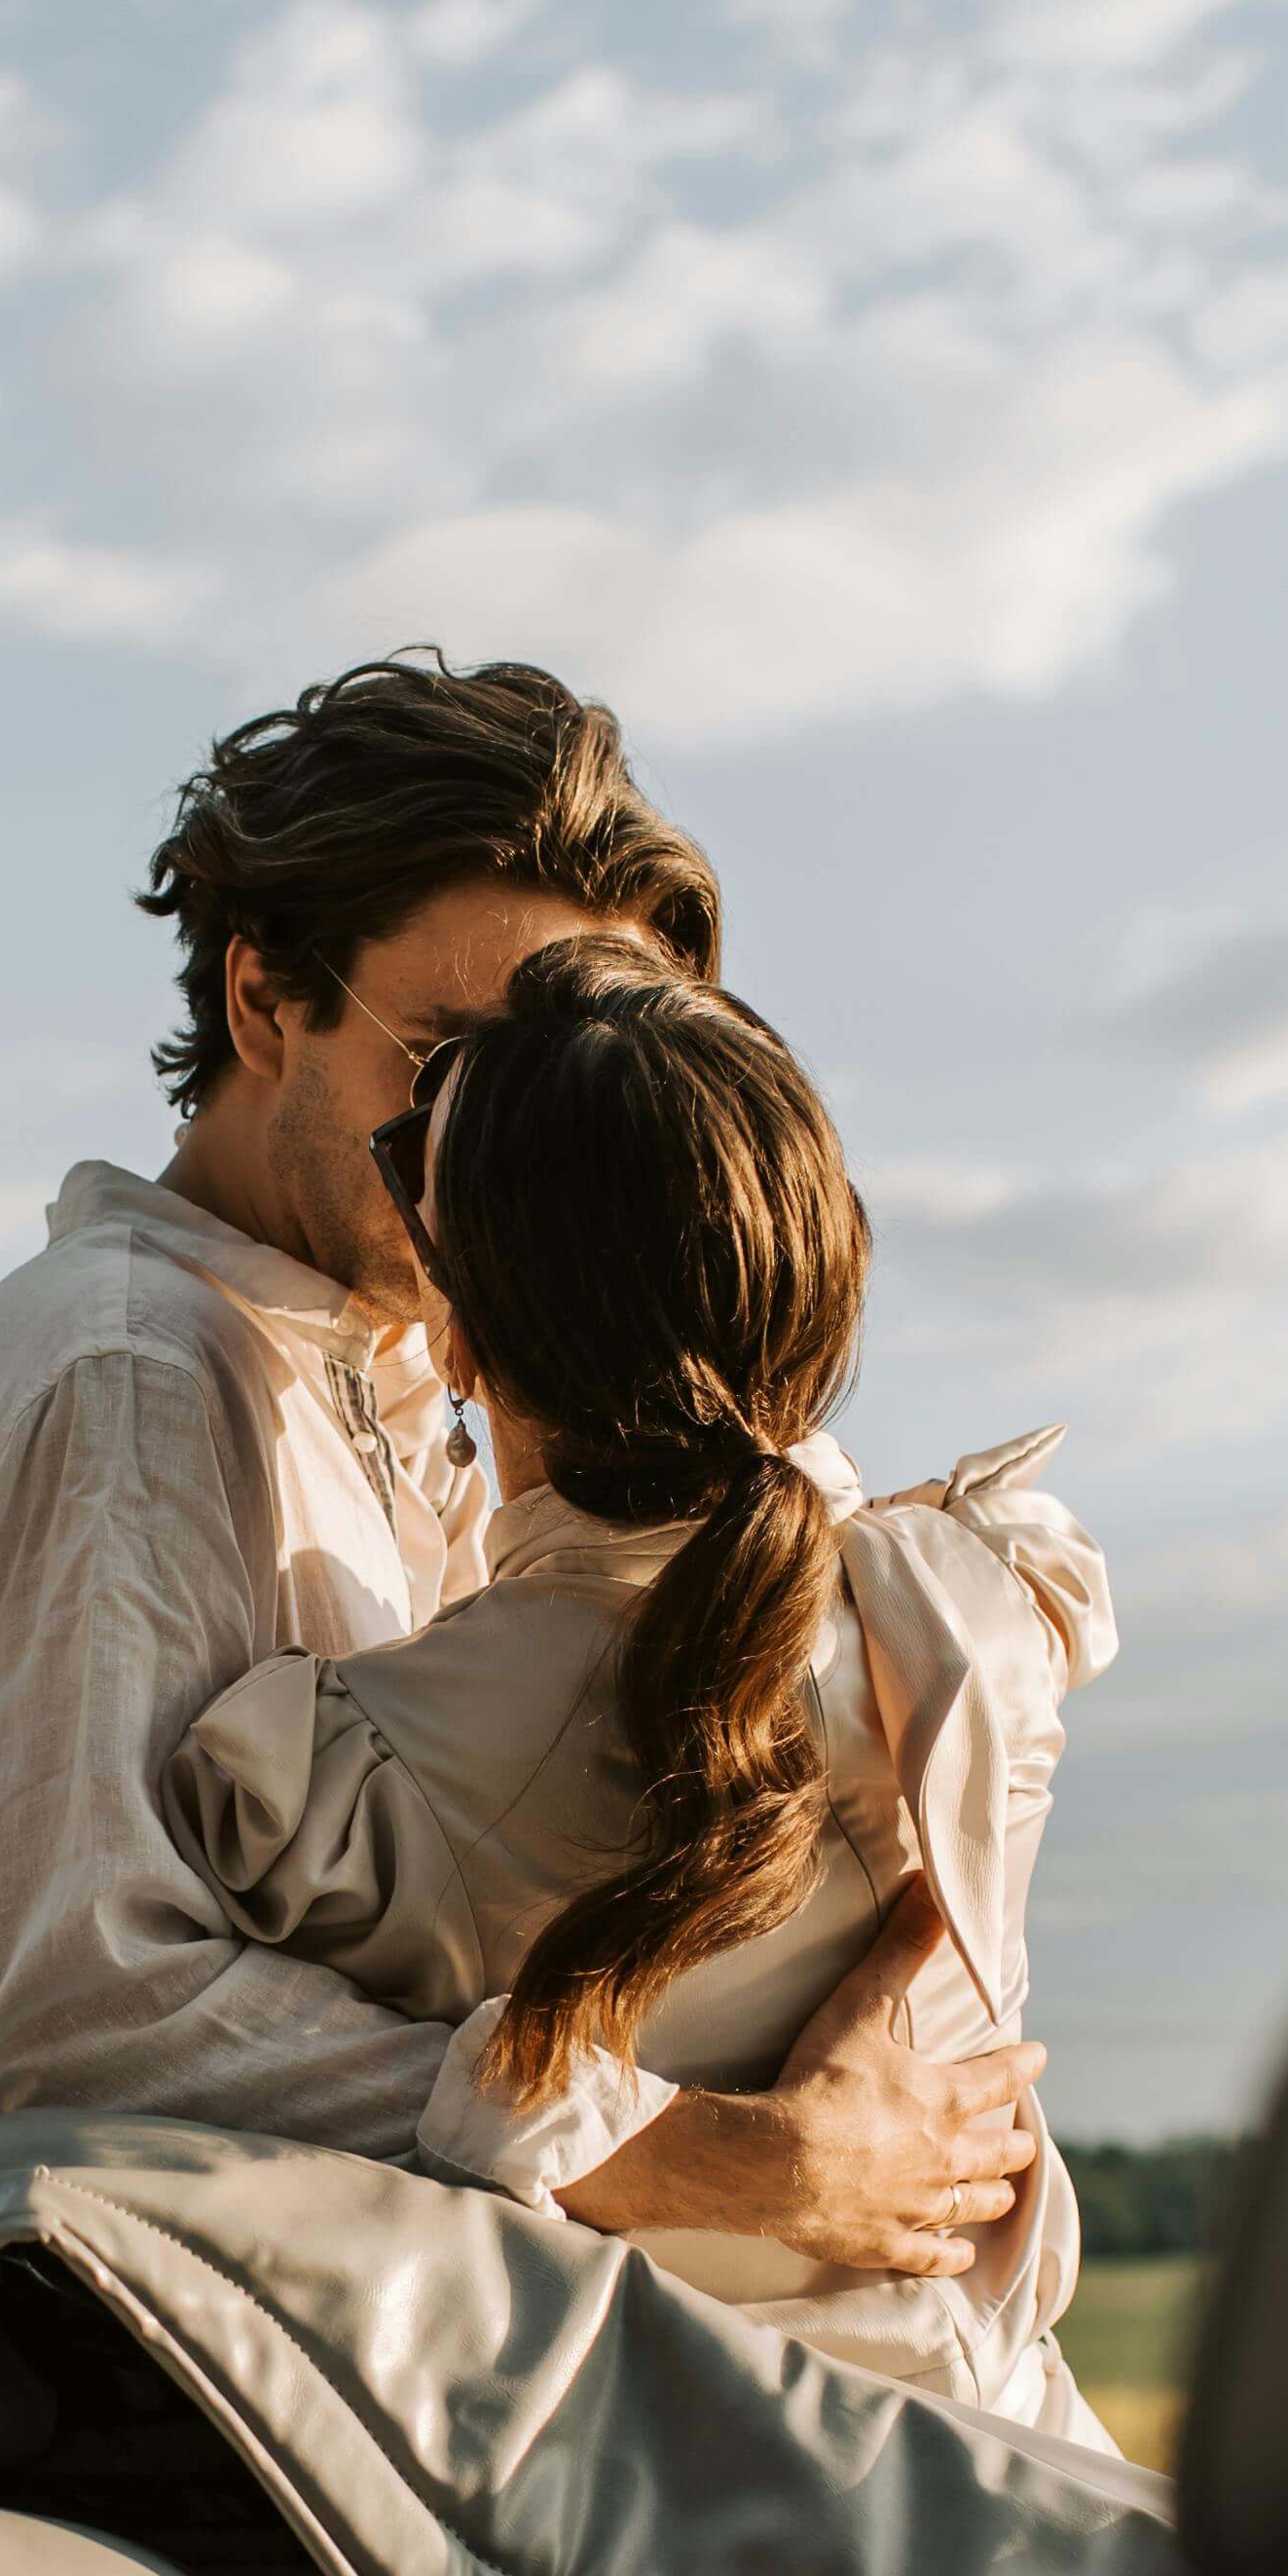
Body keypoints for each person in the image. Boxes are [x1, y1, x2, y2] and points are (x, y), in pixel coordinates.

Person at [0, 654, 1048, 2288]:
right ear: (266, 1000)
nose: (513, 1148)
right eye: (458, 1060)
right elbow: (77, 2022)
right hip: (179, 2416)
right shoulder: (128, 1375)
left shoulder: (420, 1382)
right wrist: (703, 2156)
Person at [167, 937, 1118, 2447]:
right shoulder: (981, 1611)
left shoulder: (357, 1779)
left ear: (464, 1335)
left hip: (692, 2527)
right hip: (1033, 2473)